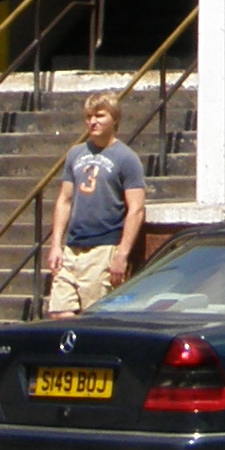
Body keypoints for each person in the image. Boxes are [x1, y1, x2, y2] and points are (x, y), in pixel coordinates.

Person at [44, 92, 146, 317]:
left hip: (103, 247)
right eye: (89, 116)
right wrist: (55, 245)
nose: (93, 121)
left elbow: (136, 209)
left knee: (95, 316)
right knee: (59, 311)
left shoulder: (126, 158)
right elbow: (64, 199)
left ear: (114, 119)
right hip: (73, 247)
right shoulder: (75, 154)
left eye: (100, 116)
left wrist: (122, 254)